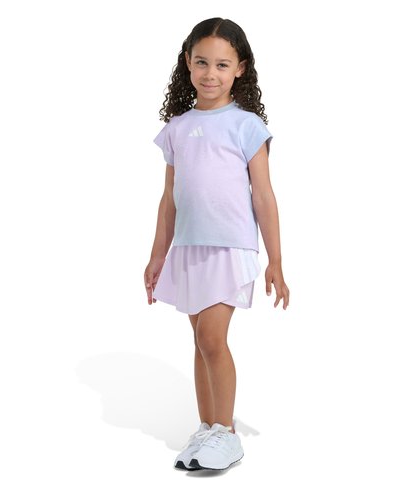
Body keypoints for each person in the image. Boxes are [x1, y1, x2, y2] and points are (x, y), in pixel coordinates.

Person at [144, 17, 290, 472]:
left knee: (212, 337)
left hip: (230, 247)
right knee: (199, 341)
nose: (210, 73)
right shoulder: (177, 127)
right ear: (187, 63)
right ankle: (208, 427)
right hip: (189, 247)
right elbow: (169, 198)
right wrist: (157, 255)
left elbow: (263, 196)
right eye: (202, 62)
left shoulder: (246, 126)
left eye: (222, 65)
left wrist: (276, 260)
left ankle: (226, 434)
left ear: (240, 68)